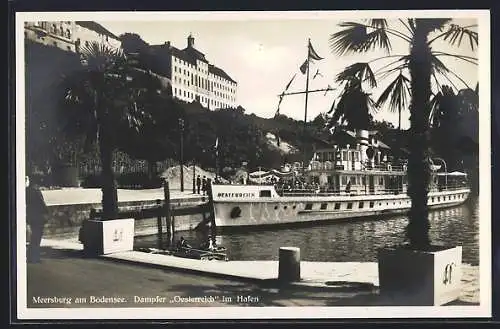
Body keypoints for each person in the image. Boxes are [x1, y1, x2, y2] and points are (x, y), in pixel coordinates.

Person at [26, 175, 48, 263]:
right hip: (38, 216)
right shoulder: (36, 190)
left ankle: (31, 256)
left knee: (34, 237)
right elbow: (41, 203)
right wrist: (46, 211)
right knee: (37, 237)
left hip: (31, 216)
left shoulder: (27, 190)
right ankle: (34, 257)